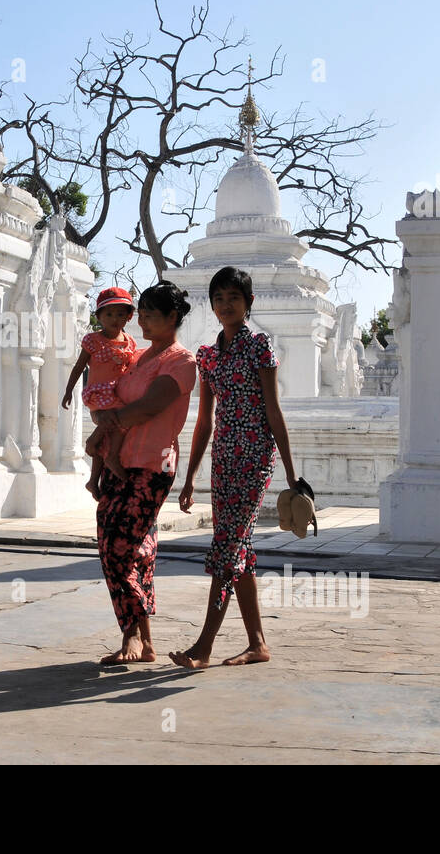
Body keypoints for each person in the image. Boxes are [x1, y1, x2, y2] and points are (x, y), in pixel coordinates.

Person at [170, 266, 297, 670]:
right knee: (237, 548)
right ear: (212, 304)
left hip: (255, 458)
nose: (226, 306)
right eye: (219, 299)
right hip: (223, 461)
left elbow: (274, 413)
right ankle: (257, 644)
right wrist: (189, 477)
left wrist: (292, 477)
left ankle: (203, 646)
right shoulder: (207, 356)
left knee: (225, 550)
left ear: (249, 303)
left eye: (234, 299)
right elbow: (204, 420)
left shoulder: (261, 348)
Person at [92, 281, 196, 665]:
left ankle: (136, 633)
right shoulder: (135, 358)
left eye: (153, 314)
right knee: (113, 543)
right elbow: (107, 390)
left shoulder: (181, 361)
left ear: (173, 318)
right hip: (119, 462)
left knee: (124, 547)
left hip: (152, 464)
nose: (144, 321)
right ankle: (138, 638)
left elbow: (150, 407)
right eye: (144, 313)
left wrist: (104, 425)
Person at [63, 287, 137, 498]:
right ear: (99, 316)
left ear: (128, 316)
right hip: (99, 394)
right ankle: (101, 447)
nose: (115, 319)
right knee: (117, 420)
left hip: (117, 394)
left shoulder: (130, 342)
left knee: (113, 432)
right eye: (109, 314)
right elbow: (78, 367)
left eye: (120, 314)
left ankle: (93, 480)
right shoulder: (93, 341)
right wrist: (69, 390)